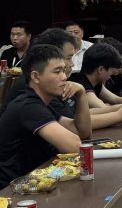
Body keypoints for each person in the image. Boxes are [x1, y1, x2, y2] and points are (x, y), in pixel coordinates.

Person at [0, 29, 122, 130]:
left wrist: (120, 108)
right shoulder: (35, 87)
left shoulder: (55, 83)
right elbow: (74, 127)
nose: (72, 64)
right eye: (69, 58)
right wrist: (119, 115)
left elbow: (77, 117)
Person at [0, 45, 91, 189]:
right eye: (57, 72)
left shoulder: (41, 104)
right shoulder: (28, 106)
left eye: (64, 70)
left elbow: (82, 131)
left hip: (32, 183)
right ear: (36, 77)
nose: (64, 77)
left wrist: (81, 94)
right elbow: (75, 147)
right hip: (12, 191)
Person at [69, 43, 122, 109]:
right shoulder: (80, 83)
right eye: (111, 72)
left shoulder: (96, 82)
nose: (111, 76)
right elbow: (104, 108)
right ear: (100, 69)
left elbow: (116, 100)